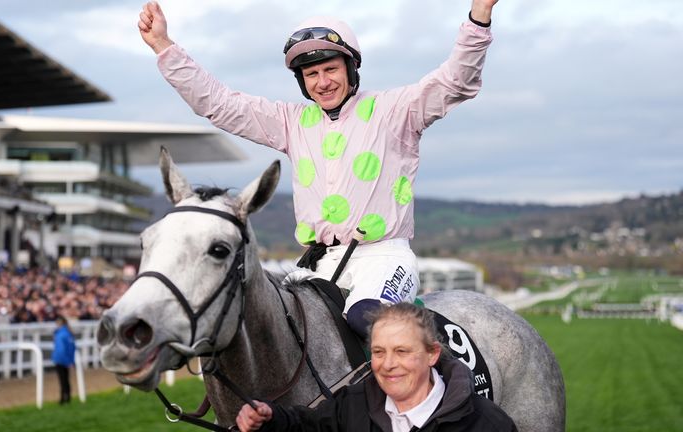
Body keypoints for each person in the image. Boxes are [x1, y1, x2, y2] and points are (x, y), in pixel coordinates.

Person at [138, 0, 499, 338]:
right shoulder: (291, 122)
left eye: (330, 69)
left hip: (383, 258)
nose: (322, 82)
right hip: (319, 263)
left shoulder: (396, 111)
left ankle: (446, 391)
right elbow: (219, 104)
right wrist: (165, 47)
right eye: (312, 74)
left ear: (351, 69)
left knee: (366, 321)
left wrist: (479, 14)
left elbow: (456, 82)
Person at [235, 302, 517, 431]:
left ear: (432, 354)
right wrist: (268, 419)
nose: (389, 365)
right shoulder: (353, 404)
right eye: (379, 352)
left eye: (402, 351)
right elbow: (305, 425)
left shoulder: (486, 423)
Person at [52, 315, 76, 404]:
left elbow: (65, 349)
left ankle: (63, 399)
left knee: (63, 380)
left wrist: (69, 361)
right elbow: (72, 348)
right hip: (64, 360)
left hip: (61, 360)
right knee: (65, 380)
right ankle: (66, 398)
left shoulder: (61, 334)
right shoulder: (66, 333)